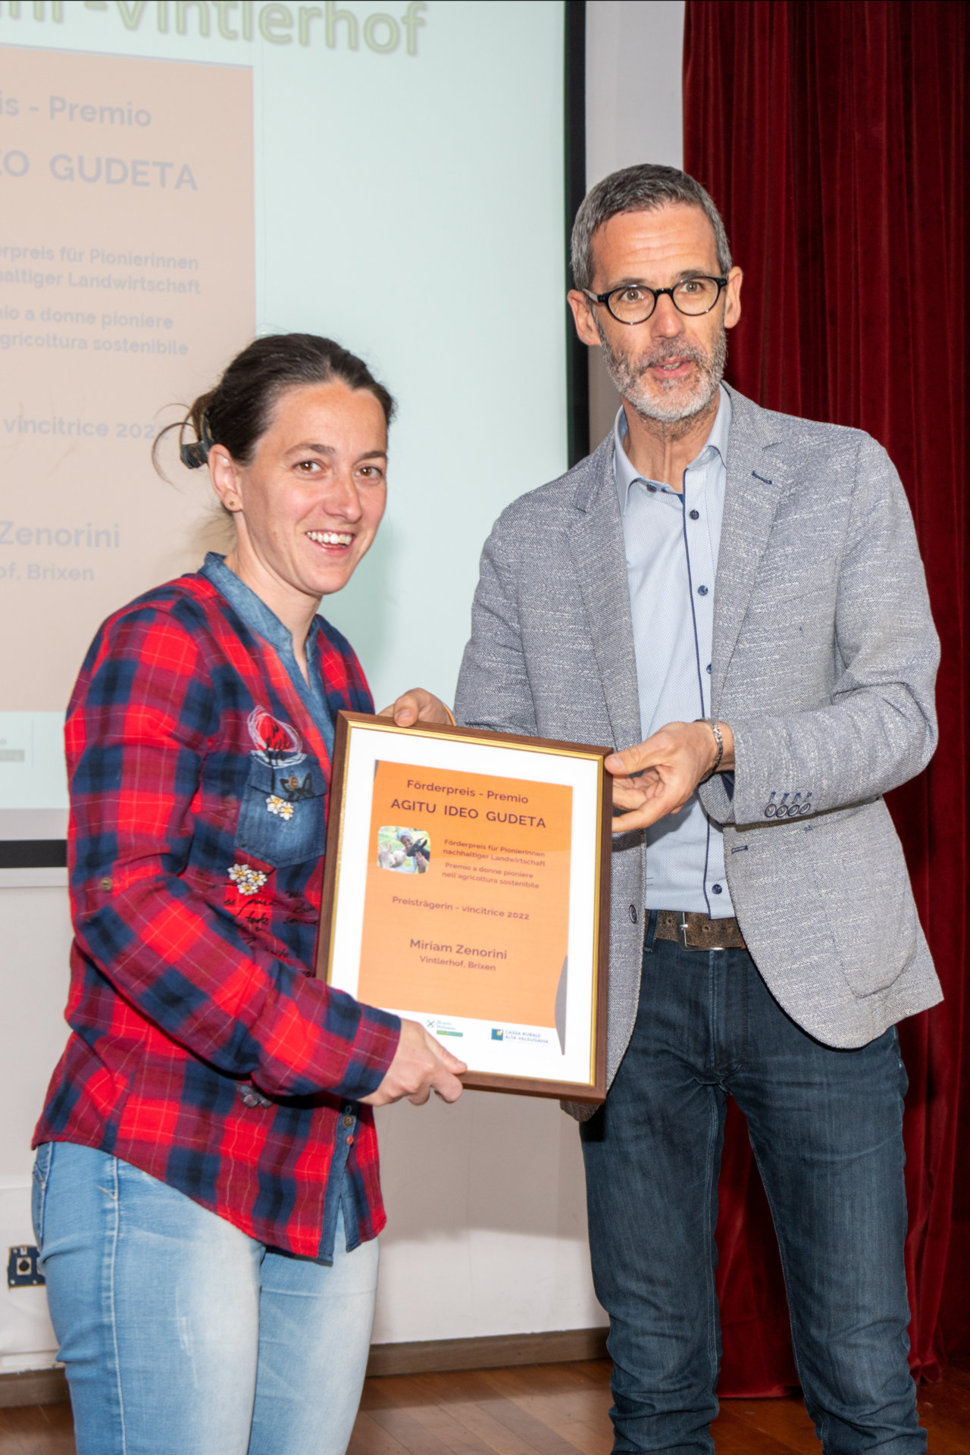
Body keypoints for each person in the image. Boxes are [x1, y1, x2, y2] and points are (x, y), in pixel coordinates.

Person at [454, 165, 940, 1453]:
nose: (664, 325)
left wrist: (724, 746)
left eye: (688, 289)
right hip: (627, 996)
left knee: (865, 1390)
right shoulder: (527, 538)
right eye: (630, 294)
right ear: (584, 317)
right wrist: (446, 759)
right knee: (656, 1390)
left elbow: (903, 715)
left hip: (820, 978)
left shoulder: (843, 478)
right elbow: (500, 759)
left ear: (733, 297)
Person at [32, 333, 466, 1455]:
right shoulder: (160, 641)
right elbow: (125, 905)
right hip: (164, 1152)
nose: (347, 498)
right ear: (229, 475)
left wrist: (427, 787)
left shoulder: (338, 680)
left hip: (317, 1168)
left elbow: (342, 915)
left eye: (368, 467)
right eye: (309, 463)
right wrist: (360, 1047)